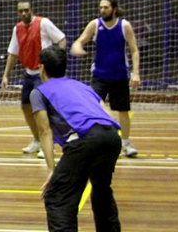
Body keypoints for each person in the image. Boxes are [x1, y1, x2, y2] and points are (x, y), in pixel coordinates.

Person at [33, 46, 122, 232]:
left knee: (57, 197)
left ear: (41, 68)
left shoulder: (39, 92)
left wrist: (51, 170)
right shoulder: (83, 87)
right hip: (112, 137)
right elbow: (106, 114)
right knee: (101, 190)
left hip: (86, 140)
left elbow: (45, 132)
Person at [71, 0, 140, 158]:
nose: (103, 10)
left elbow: (134, 50)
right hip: (99, 76)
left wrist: (135, 73)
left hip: (119, 75)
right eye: (101, 7)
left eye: (106, 7)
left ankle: (125, 143)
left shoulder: (124, 26)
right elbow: (79, 41)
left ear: (114, 9)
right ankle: (85, 138)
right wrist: (77, 47)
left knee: (123, 110)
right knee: (90, 106)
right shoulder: (95, 24)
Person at [1, 0, 66, 158]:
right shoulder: (17, 29)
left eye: (26, 10)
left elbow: (61, 39)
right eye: (21, 11)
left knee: (42, 110)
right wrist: (5, 75)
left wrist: (57, 61)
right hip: (29, 73)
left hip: (43, 74)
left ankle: (48, 144)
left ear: (32, 10)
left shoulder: (44, 23)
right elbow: (13, 53)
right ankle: (37, 139)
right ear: (17, 13)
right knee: (25, 106)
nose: (24, 13)